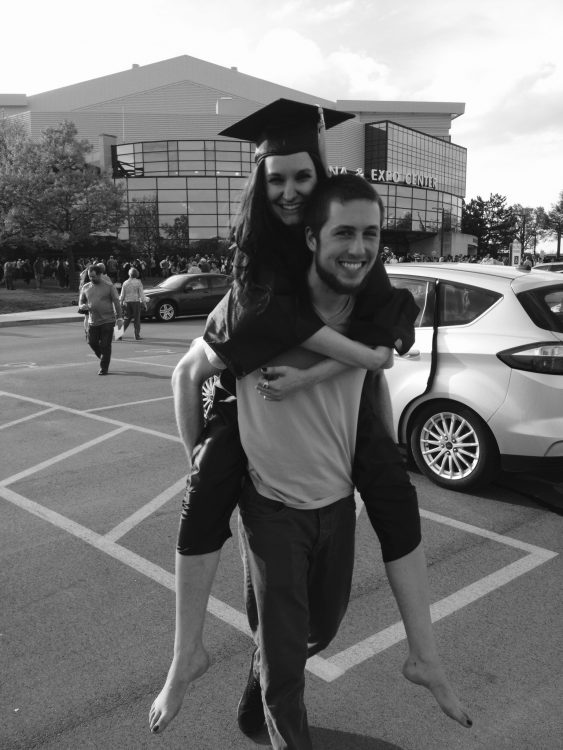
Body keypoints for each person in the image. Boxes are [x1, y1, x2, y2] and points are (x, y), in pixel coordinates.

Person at [149, 102, 470, 738]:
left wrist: (335, 369)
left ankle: (424, 655)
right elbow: (269, 332)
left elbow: (383, 339)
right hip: (246, 416)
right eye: (276, 180)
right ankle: (187, 654)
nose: (291, 192)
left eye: (302, 177)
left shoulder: (342, 239)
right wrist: (195, 457)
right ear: (260, 187)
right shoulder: (256, 271)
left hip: (330, 449)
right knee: (207, 482)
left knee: (390, 490)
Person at [78, 264, 123, 375]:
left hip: (108, 320)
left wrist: (120, 317)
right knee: (91, 342)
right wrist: (82, 306)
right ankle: (103, 357)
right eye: (90, 276)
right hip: (93, 321)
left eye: (93, 276)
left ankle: (104, 367)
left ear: (100, 275)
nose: (91, 279)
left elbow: (116, 302)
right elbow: (81, 301)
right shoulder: (86, 287)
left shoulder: (109, 286)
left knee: (105, 345)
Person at [119, 266, 145, 340]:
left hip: (127, 302)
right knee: (137, 319)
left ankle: (118, 334)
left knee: (126, 319)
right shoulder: (138, 282)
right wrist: (144, 303)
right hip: (135, 302)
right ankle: (137, 335)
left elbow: (122, 295)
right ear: (137, 274)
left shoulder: (125, 282)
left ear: (129, 274)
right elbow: (141, 294)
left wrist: (121, 302)